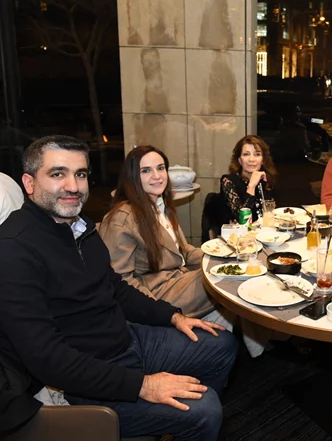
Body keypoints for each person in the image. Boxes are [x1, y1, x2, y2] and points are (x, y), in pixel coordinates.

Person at [0, 136, 237, 440]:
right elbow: (48, 358)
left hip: (126, 340)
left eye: (80, 174)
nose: (73, 186)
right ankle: (181, 420)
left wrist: (172, 316)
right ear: (29, 183)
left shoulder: (79, 226)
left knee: (221, 344)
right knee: (205, 409)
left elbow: (116, 288)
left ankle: (174, 422)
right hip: (85, 376)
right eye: (58, 174)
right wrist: (143, 385)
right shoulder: (14, 248)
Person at [99, 145, 233, 327]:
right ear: (132, 177)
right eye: (146, 170)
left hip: (179, 279)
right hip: (158, 294)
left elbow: (184, 252)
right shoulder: (123, 217)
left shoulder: (161, 206)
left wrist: (224, 256)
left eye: (160, 168)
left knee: (234, 271)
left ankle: (249, 343)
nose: (157, 176)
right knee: (228, 278)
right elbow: (120, 281)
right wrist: (159, 312)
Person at [221, 135, 277, 222]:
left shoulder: (266, 179)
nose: (251, 159)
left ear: (262, 160)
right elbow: (242, 220)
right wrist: (251, 186)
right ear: (239, 160)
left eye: (257, 154)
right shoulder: (228, 181)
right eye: (246, 154)